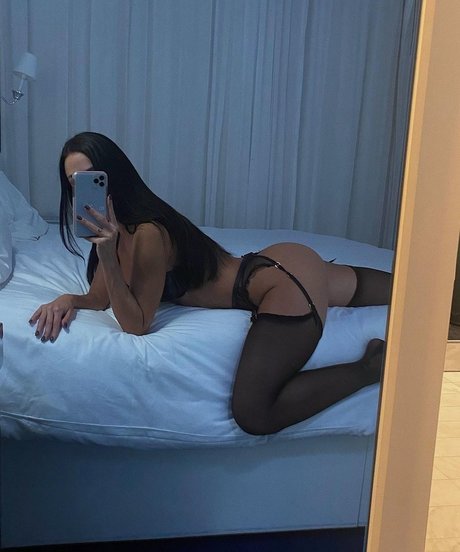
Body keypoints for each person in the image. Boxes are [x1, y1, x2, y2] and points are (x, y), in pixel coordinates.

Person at [30, 132, 391, 435]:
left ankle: (370, 368)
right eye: (74, 183)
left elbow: (136, 325)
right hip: (280, 265)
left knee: (254, 413)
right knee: (405, 288)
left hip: (277, 283)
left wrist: (108, 256)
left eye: (92, 177)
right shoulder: (115, 234)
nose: (84, 190)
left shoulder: (147, 233)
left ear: (114, 175)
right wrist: (68, 299)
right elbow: (100, 297)